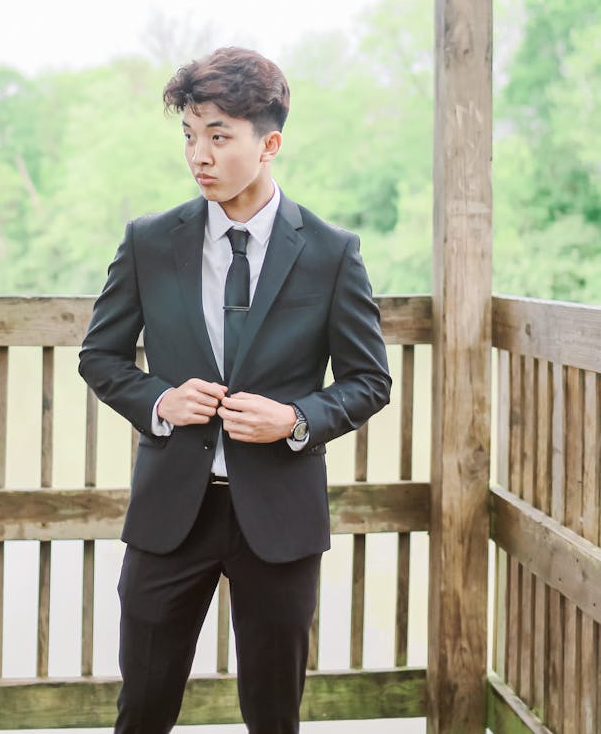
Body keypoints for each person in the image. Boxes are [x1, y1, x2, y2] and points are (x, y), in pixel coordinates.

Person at [79, 46, 391, 734]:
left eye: (219, 135)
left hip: (280, 518)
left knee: (274, 715)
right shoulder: (149, 241)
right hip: (170, 518)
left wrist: (296, 418)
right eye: (190, 135)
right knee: (143, 709)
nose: (200, 154)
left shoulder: (333, 252)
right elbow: (100, 357)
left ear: (269, 142)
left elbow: (370, 380)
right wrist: (158, 401)